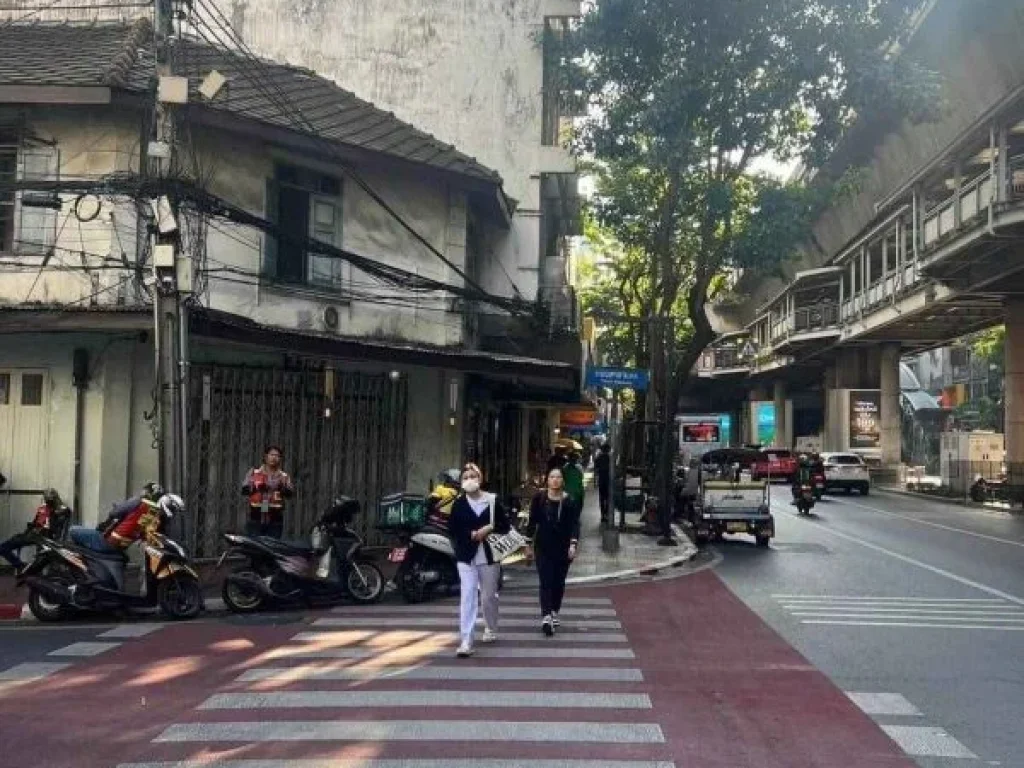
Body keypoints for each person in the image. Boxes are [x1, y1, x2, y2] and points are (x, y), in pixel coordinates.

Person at [447, 462, 511, 657]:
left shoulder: (492, 500)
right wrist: (471, 534)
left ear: (480, 478)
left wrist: (489, 528)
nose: (469, 480)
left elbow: (505, 526)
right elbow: (453, 529)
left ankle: (491, 626)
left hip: (489, 555)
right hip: (465, 555)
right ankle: (466, 640)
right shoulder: (458, 504)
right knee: (468, 596)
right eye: (465, 477)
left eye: (472, 476)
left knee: (488, 596)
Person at [526, 467, 581, 636]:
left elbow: (575, 525)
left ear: (562, 481)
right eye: (552, 477)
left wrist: (573, 545)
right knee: (545, 581)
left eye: (558, 477)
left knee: (559, 582)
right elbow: (532, 522)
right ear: (547, 480)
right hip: (543, 546)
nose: (555, 480)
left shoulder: (569, 501)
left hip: (563, 547)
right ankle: (546, 616)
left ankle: (555, 610)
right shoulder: (539, 499)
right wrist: (527, 545)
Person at [69, 482, 166, 555]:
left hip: (109, 541)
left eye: (144, 491)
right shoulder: (154, 513)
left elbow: (114, 512)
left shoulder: (138, 501)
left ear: (148, 492)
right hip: (121, 546)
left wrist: (118, 509)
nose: (142, 492)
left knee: (73, 530)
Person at [0, 488, 71, 571]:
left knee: (43, 559)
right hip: (33, 535)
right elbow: (35, 522)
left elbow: (57, 526)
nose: (49, 502)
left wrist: (54, 512)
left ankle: (36, 572)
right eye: (47, 499)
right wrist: (27, 532)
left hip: (46, 538)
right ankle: (21, 567)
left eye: (51, 499)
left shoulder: (63, 510)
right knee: (3, 548)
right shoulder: (42, 508)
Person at [242, 445, 294, 539]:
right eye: (272, 454)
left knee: (272, 548)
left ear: (280, 459)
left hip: (275, 520)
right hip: (255, 518)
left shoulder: (284, 476)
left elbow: (290, 494)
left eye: (277, 455)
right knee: (254, 547)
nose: (274, 457)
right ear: (266, 457)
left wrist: (282, 487)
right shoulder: (254, 472)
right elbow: (244, 490)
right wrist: (255, 487)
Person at [594, 442, 612, 524]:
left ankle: (603, 515)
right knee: (608, 498)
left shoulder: (598, 458)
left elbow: (596, 470)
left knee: (602, 498)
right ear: (608, 450)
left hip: (601, 480)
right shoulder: (610, 458)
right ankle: (606, 514)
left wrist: (595, 482)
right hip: (608, 481)